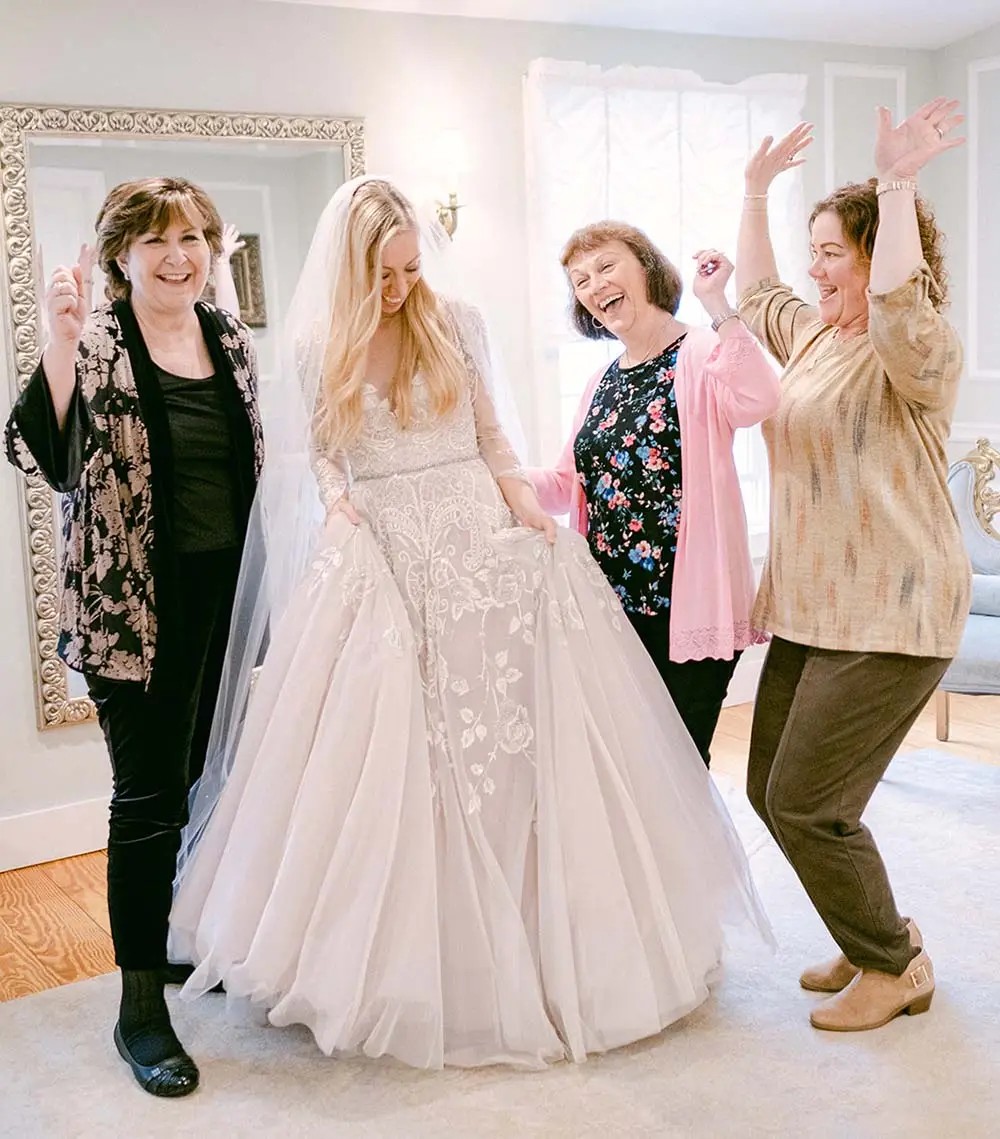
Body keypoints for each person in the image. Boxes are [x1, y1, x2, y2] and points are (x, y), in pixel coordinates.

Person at [168, 176, 770, 1071]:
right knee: (403, 757)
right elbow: (325, 460)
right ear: (350, 266)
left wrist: (529, 511)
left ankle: (550, 950)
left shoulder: (457, 323)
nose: (403, 286)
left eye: (412, 267)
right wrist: (339, 511)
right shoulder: (314, 345)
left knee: (511, 748)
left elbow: (491, 436)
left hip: (479, 545)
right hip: (384, 550)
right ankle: (399, 965)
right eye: (386, 273)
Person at [4, 177, 264, 1095]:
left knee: (211, 781)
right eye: (156, 238)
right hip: (134, 610)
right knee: (150, 796)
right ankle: (140, 1005)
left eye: (193, 235)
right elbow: (41, 452)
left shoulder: (228, 339)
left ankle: (185, 938)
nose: (178, 253)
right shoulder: (101, 339)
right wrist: (59, 344)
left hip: (231, 598)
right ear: (122, 252)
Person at [734, 99, 970, 1031]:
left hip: (896, 609)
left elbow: (902, 300)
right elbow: (759, 299)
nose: (812, 266)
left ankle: (892, 963)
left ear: (874, 261)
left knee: (806, 801)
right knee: (771, 790)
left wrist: (898, 183)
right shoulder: (820, 341)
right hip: (816, 607)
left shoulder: (911, 347)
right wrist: (754, 193)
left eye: (831, 250)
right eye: (813, 247)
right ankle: (872, 923)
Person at [529, 224, 780, 765]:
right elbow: (564, 484)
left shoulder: (700, 350)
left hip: (688, 605)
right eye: (580, 280)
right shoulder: (601, 381)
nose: (594, 285)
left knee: (680, 767)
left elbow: (759, 398)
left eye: (606, 267)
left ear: (645, 268)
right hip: (612, 608)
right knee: (633, 773)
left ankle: (699, 855)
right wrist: (490, 473)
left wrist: (718, 304)